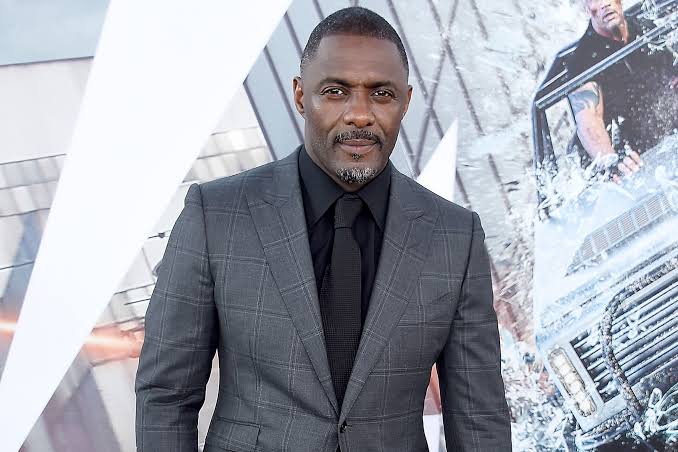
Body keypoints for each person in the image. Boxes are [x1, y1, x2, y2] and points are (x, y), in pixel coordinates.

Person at [135, 6, 511, 452]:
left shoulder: (455, 236)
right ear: (300, 95)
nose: (359, 115)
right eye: (335, 91)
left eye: (382, 94)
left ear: (405, 102)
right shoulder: (216, 215)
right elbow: (166, 394)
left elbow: (479, 416)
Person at [567, 0, 678, 182]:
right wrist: (610, 161)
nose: (605, 4)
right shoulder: (582, 62)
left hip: (667, 137)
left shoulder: (649, 29)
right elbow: (589, 122)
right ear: (587, 9)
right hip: (631, 159)